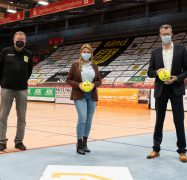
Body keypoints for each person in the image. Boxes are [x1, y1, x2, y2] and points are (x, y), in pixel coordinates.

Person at [147, 24, 187, 162]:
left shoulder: (181, 50)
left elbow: (186, 70)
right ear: (160, 35)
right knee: (159, 121)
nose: (166, 36)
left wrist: (177, 78)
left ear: (172, 34)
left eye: (168, 34)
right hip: (161, 90)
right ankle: (156, 149)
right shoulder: (155, 52)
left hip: (176, 88)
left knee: (179, 121)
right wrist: (157, 73)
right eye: (163, 34)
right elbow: (149, 72)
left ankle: (182, 151)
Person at [0, 31, 33, 151]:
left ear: (25, 41)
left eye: (22, 39)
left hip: (22, 90)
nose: (20, 41)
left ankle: (19, 141)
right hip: (6, 88)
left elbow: (29, 71)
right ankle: (1, 141)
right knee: (3, 116)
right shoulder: (6, 52)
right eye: (18, 39)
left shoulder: (28, 54)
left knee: (22, 118)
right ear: (13, 40)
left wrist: (21, 81)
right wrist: (3, 82)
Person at [66, 44, 102, 155]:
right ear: (81, 53)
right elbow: (68, 80)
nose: (86, 54)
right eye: (84, 52)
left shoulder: (94, 66)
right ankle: (79, 143)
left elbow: (99, 81)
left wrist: (93, 85)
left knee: (89, 120)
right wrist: (79, 85)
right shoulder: (75, 65)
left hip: (91, 95)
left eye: (88, 52)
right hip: (79, 94)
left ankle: (85, 142)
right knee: (82, 117)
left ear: (91, 54)